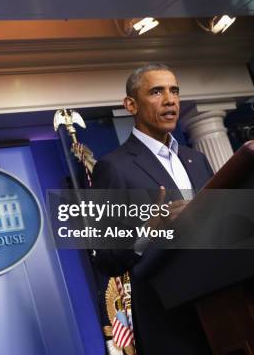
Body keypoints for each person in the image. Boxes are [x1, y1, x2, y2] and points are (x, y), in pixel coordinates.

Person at [91, 63, 214, 354]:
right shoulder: (113, 167)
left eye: (174, 91)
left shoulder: (196, 159)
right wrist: (148, 231)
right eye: (157, 92)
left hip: (219, 302)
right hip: (170, 319)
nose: (170, 100)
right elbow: (105, 258)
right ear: (131, 104)